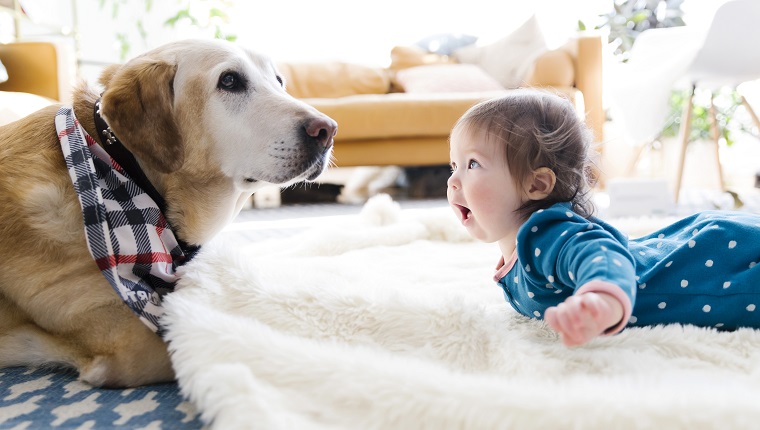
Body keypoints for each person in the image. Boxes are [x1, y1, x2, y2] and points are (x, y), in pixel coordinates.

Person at [447, 88, 760, 347]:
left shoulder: (548, 234)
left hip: (726, 262)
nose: (453, 181)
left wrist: (600, 299)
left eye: (472, 164)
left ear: (536, 184)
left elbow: (604, 257)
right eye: (454, 166)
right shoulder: (523, 250)